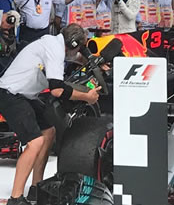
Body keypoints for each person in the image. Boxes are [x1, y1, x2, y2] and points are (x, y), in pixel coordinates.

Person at [0, 24, 101, 205]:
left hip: (24, 95)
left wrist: (91, 61)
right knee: (35, 142)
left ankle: (36, 188)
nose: (79, 52)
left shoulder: (56, 43)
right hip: (10, 94)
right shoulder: (54, 49)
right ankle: (15, 198)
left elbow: (74, 56)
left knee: (49, 132)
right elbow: (56, 90)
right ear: (72, 43)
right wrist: (87, 97)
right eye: (79, 47)